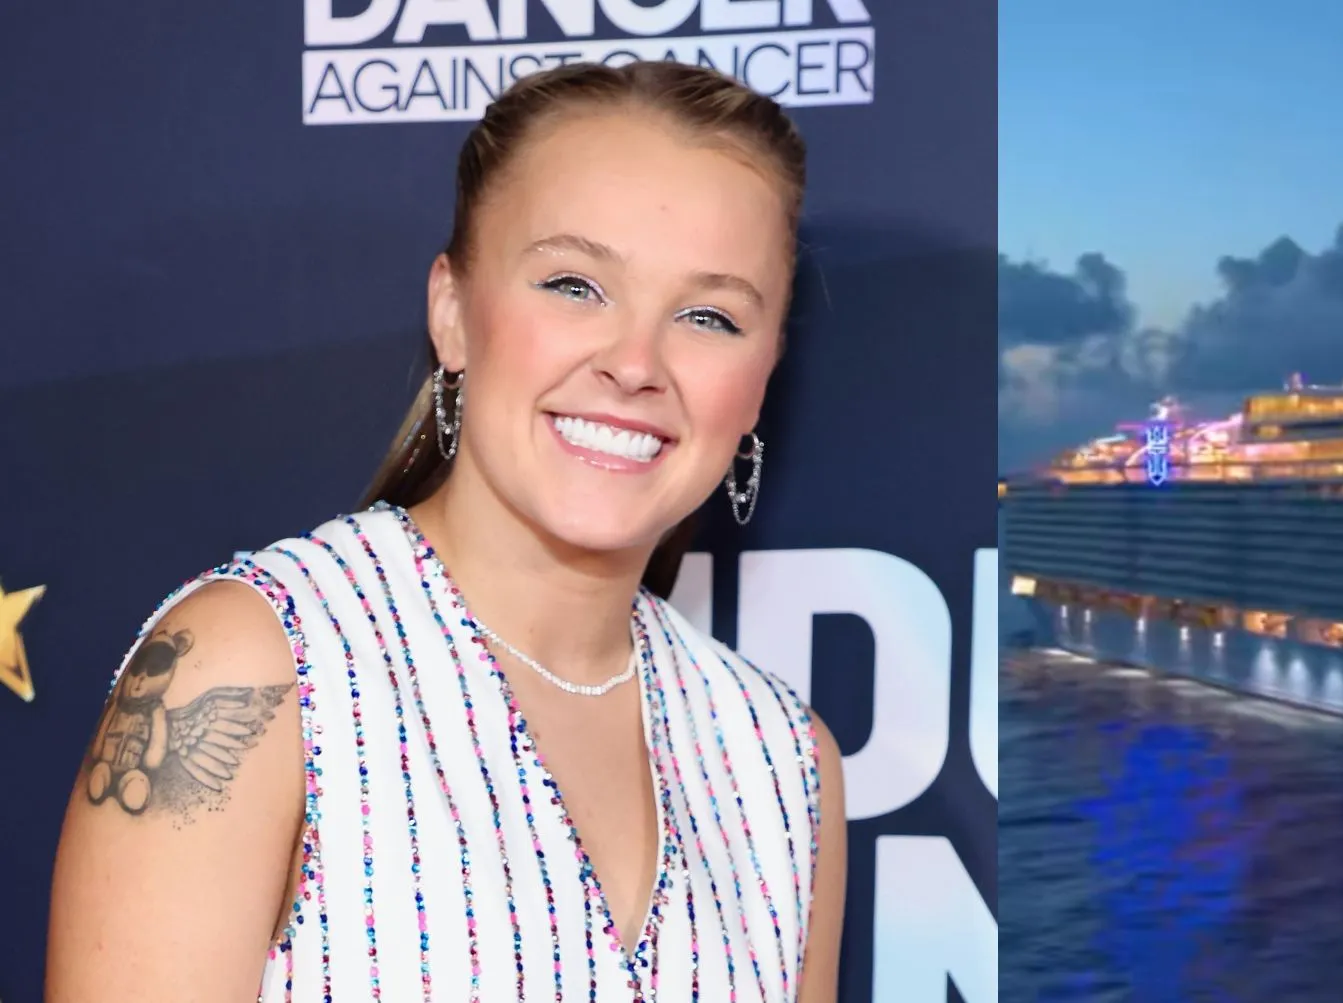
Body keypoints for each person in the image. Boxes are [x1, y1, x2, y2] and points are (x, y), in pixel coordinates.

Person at [46, 60, 846, 1003]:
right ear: (453, 311)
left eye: (708, 315)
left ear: (762, 377)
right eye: (574, 284)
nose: (636, 364)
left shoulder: (783, 760)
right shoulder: (254, 669)